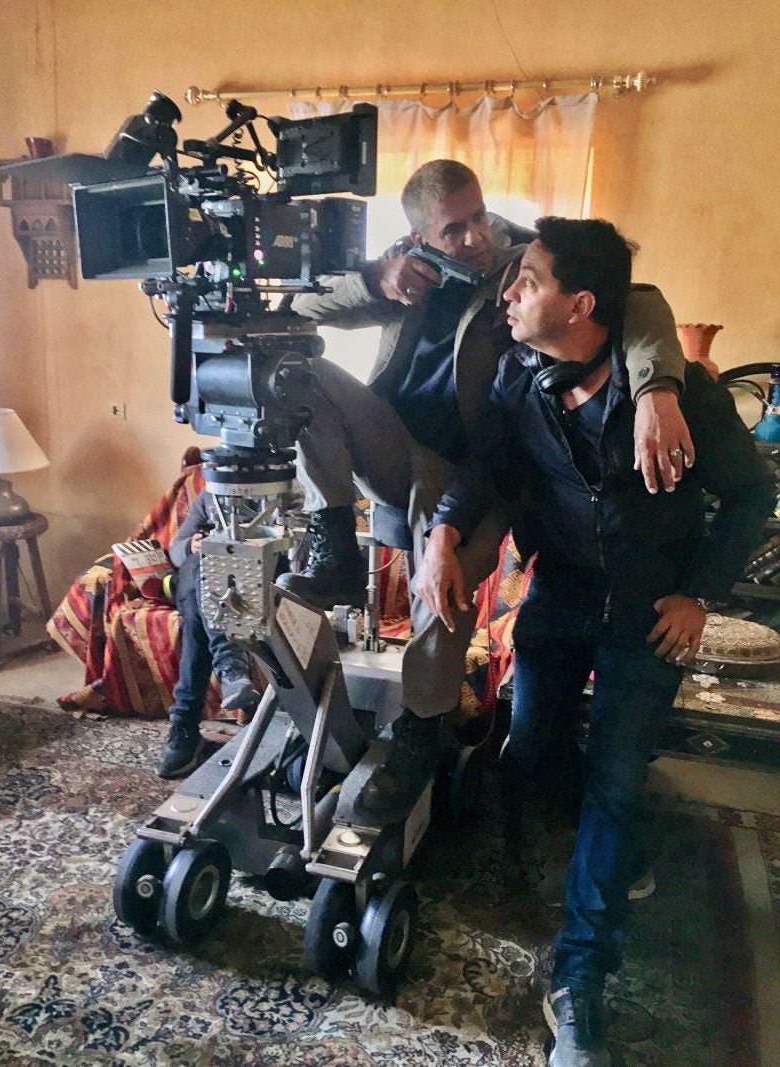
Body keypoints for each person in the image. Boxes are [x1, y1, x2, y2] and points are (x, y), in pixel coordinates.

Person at [418, 216, 775, 1066]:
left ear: (580, 305)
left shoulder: (674, 394)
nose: (509, 295)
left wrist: (700, 594)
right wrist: (442, 532)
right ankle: (624, 853)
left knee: (614, 782)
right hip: (561, 597)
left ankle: (579, 980)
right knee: (532, 749)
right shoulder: (520, 375)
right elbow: (488, 467)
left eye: (528, 282)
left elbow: (751, 493)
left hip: (648, 616)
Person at [282, 159, 693, 823]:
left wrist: (658, 390)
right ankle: (332, 542)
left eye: (479, 215)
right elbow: (299, 305)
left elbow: (637, 298)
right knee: (294, 370)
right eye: (454, 229)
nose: (475, 236)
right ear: (420, 235)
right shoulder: (404, 268)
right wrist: (376, 279)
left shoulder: (521, 260)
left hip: (479, 466)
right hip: (395, 442)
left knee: (442, 589)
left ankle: (420, 731)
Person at [155, 490, 261, 779]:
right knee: (203, 566)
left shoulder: (285, 491)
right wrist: (192, 544)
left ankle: (184, 725)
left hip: (253, 579)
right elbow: (176, 551)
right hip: (198, 581)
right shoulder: (209, 496)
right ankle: (231, 669)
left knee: (198, 621)